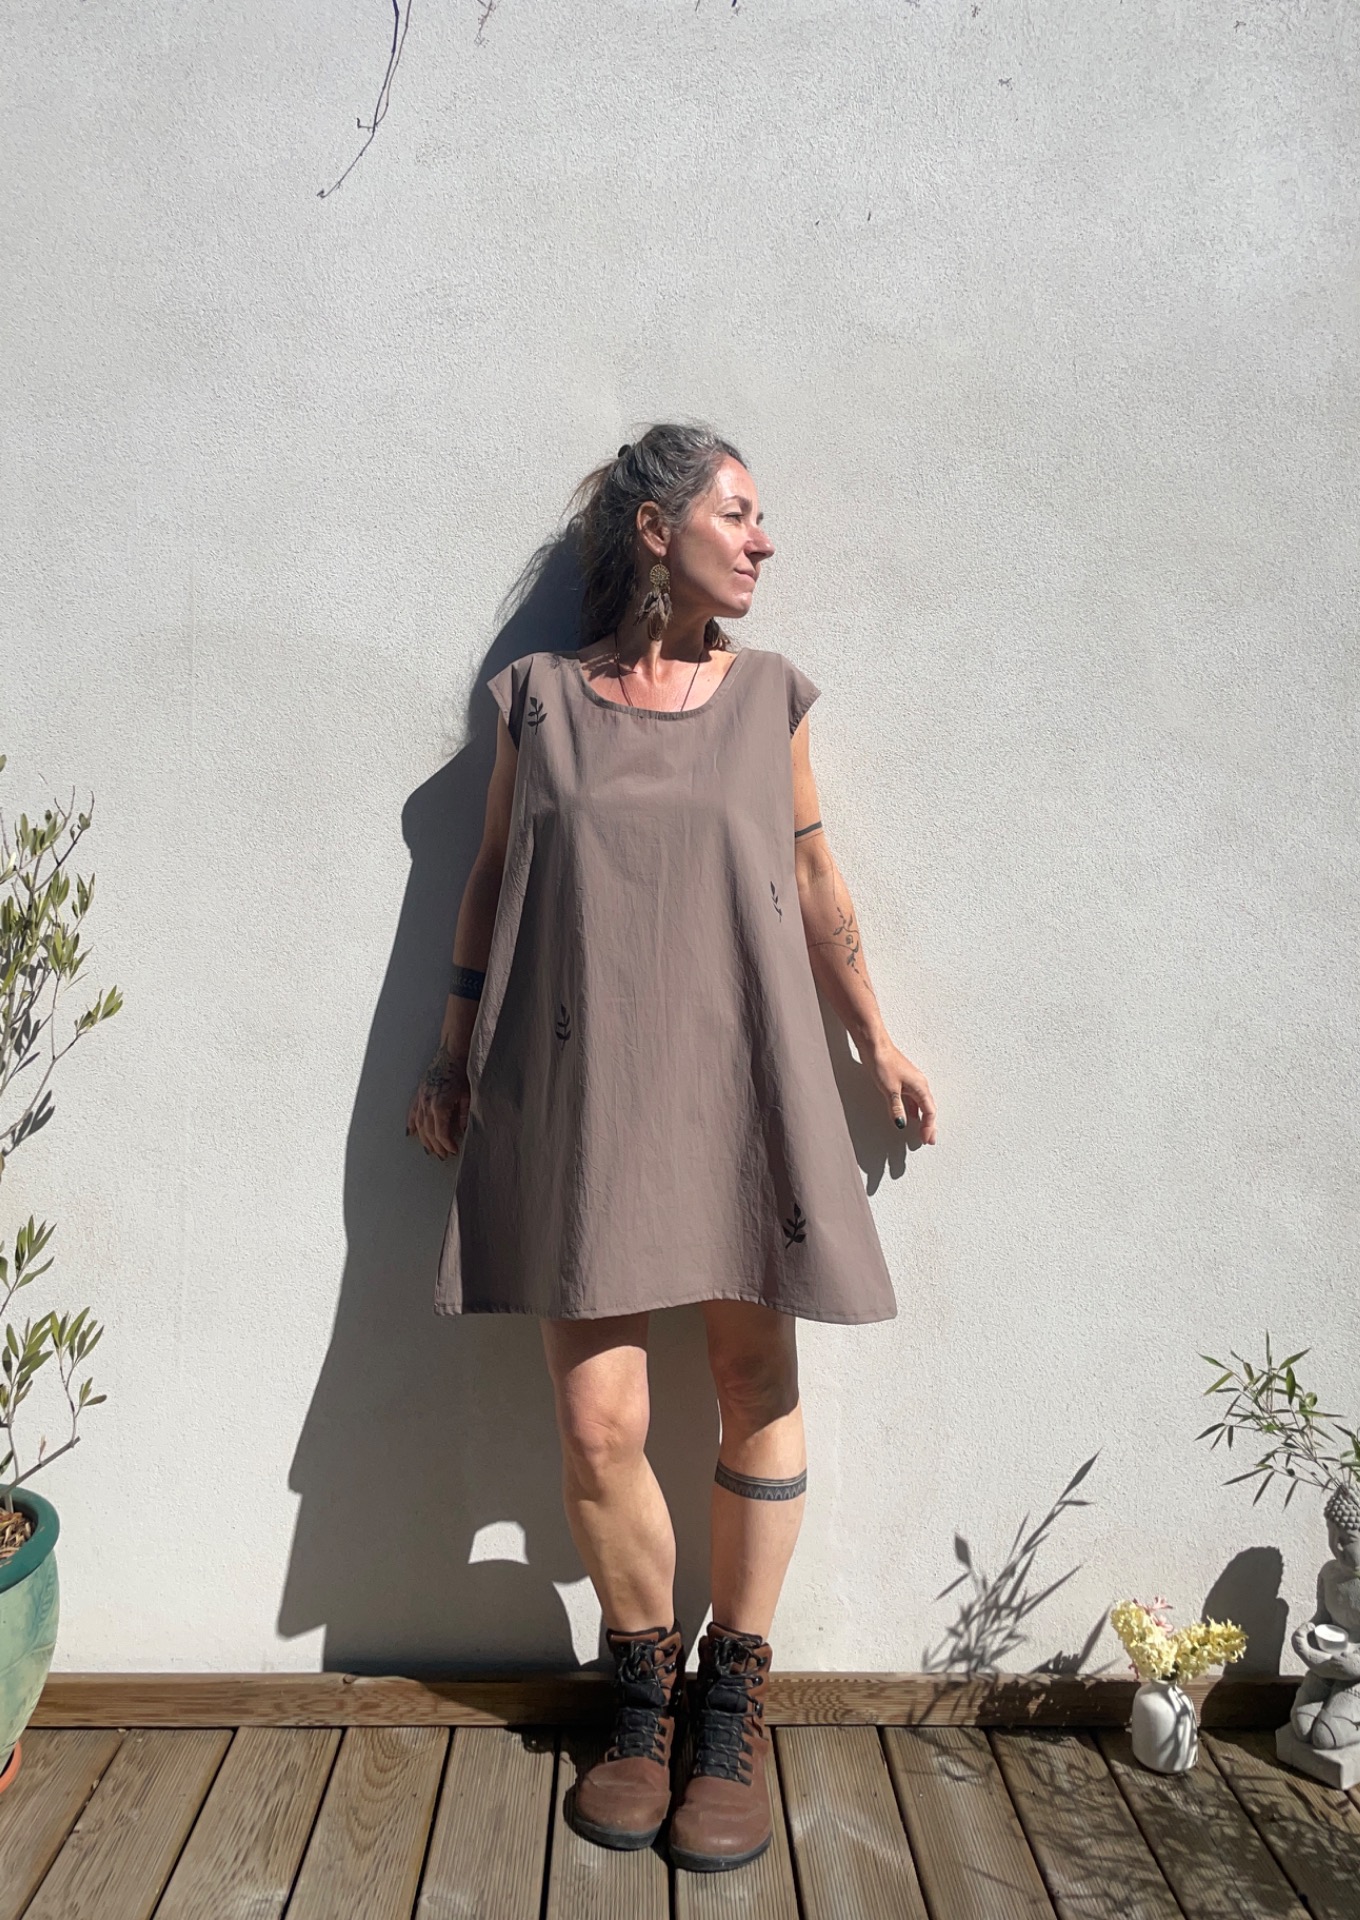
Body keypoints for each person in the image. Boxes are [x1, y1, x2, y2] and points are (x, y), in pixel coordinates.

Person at [407, 422, 937, 1873]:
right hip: (580, 1095)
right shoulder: (536, 703)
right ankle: (641, 1694)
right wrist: (450, 1054)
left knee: (755, 1382)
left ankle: (730, 1700)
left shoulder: (768, 699)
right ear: (656, 530)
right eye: (738, 513)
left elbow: (816, 877)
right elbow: (489, 879)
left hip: (741, 1084)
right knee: (599, 1424)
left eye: (761, 519)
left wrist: (876, 1038)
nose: (763, 542)